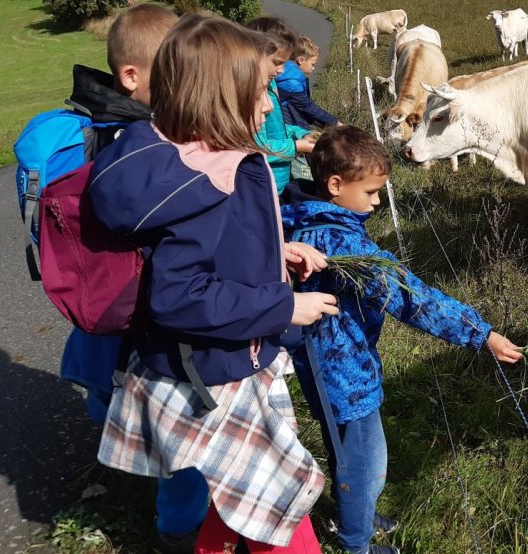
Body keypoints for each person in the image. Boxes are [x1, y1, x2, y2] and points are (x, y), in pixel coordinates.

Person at [89, 14, 339, 553]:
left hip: (213, 361)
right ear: (221, 97)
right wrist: (284, 307)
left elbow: (210, 246)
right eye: (260, 92)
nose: (270, 106)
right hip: (219, 372)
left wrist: (275, 253)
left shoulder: (185, 156)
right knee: (280, 501)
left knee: (242, 498)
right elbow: (180, 294)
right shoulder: (212, 176)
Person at [282, 125, 523, 554]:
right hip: (345, 372)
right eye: (371, 192)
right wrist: (480, 334)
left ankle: (357, 512)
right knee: (366, 462)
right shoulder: (340, 240)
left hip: (321, 364)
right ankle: (356, 542)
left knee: (344, 450)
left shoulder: (302, 218)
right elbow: (411, 296)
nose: (376, 202)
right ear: (335, 185)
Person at [50, 4, 211, 550]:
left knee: (107, 386)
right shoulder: (137, 145)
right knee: (181, 428)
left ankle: (116, 450)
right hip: (143, 311)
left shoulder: (85, 126)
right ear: (131, 76)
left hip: (96, 311)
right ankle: (180, 531)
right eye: (175, 73)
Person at [247, 16, 315, 198]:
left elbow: (276, 128)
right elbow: (257, 147)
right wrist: (296, 146)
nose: (282, 70)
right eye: (277, 62)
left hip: (277, 180)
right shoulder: (251, 93)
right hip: (264, 185)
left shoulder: (270, 83)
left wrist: (299, 133)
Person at [275, 35, 340, 129]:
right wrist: (335, 123)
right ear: (300, 60)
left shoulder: (289, 74)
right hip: (289, 126)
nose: (313, 68)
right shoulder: (292, 83)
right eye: (312, 64)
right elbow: (307, 107)